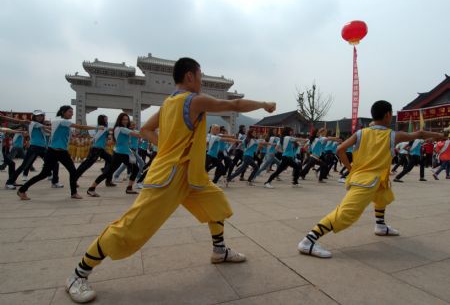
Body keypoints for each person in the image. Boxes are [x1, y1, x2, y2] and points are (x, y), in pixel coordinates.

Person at [64, 57, 276, 303]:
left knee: (216, 204)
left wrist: (166, 147)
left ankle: (219, 251)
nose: (201, 80)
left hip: (192, 177)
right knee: (130, 227)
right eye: (200, 75)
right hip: (169, 178)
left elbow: (146, 130)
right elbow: (235, 104)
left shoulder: (168, 104)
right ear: (189, 76)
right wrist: (264, 103)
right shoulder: (193, 100)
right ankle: (78, 274)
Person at [297, 100, 446, 258]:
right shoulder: (393, 135)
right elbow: (420, 134)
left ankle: (380, 226)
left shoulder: (361, 133)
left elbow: (340, 149)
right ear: (388, 115)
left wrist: (351, 169)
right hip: (366, 183)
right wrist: (440, 135)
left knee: (382, 194)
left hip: (372, 179)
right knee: (345, 214)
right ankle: (308, 241)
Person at [17, 106, 98, 200]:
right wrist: (97, 127)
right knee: (44, 174)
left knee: (72, 171)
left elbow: (59, 133)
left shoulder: (58, 122)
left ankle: (74, 193)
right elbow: (81, 127)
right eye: (70, 112)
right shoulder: (63, 121)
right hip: (54, 152)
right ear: (63, 112)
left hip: (61, 152)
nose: (72, 113)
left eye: (72, 112)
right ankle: (22, 190)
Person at [86, 113, 140, 196]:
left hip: (124, 153)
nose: (125, 121)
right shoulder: (122, 129)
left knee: (135, 169)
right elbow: (137, 134)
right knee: (108, 173)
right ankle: (91, 188)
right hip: (120, 154)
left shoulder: (118, 128)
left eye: (126, 119)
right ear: (120, 120)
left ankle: (129, 188)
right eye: (123, 119)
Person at [74, 115, 115, 186]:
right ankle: (74, 180)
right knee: (86, 164)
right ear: (102, 120)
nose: (107, 121)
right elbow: (111, 130)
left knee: (111, 162)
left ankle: (108, 180)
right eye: (105, 119)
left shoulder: (102, 128)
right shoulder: (101, 128)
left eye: (107, 119)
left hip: (100, 149)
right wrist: (118, 128)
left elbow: (108, 134)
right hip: (96, 149)